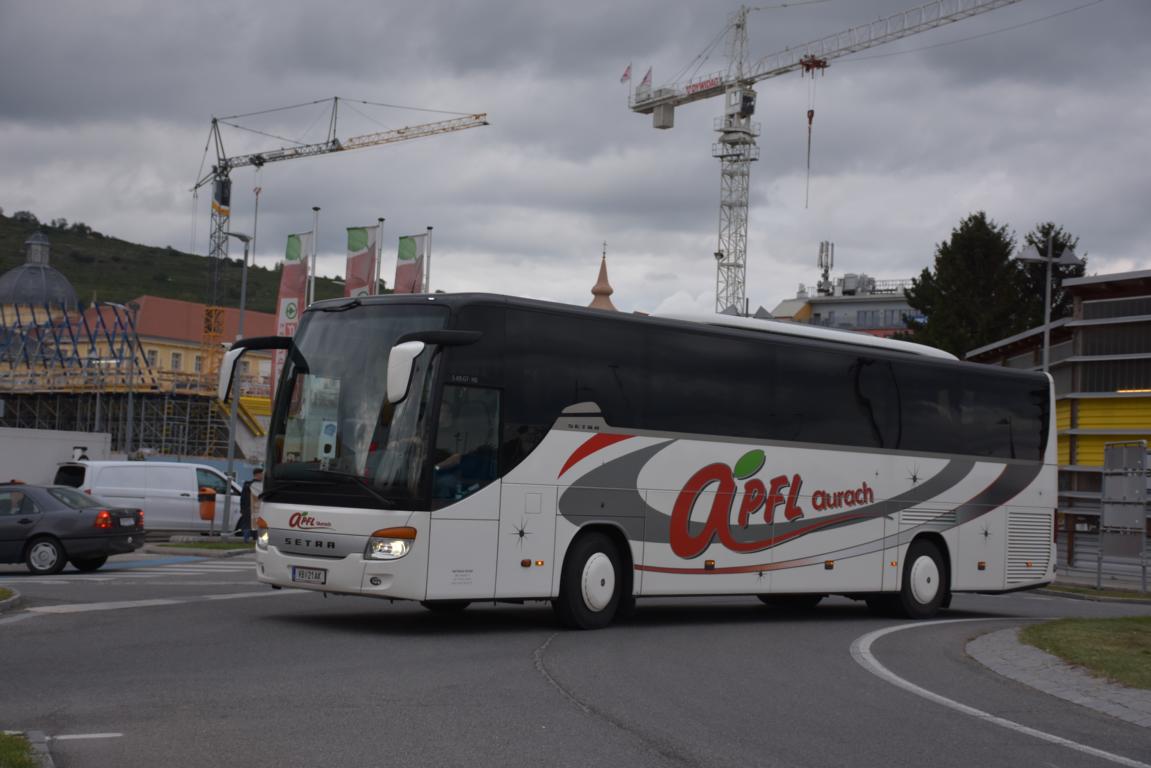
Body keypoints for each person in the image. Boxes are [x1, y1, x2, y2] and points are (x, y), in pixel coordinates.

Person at [238, 468, 263, 544]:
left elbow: (242, 498)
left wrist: (242, 509)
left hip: (247, 508)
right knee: (258, 525)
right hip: (257, 508)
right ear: (258, 474)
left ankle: (246, 540)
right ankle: (258, 540)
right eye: (262, 474)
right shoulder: (261, 485)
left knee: (247, 525)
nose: (263, 476)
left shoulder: (247, 484)